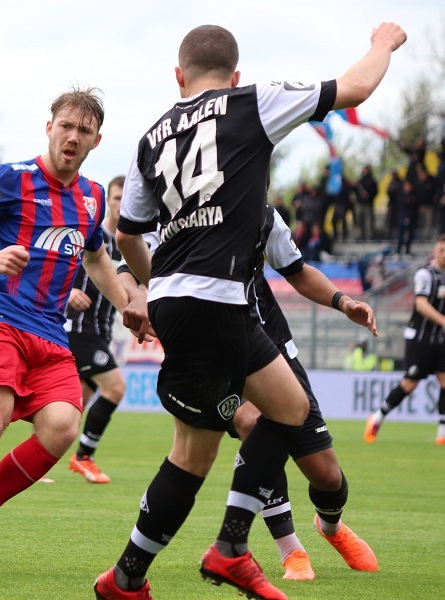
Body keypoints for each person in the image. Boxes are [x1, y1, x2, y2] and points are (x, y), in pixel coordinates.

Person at [98, 22, 405, 600]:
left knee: (206, 445)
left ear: (178, 76)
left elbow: (128, 233)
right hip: (219, 299)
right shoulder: (250, 101)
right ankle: (231, 547)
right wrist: (384, 43)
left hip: (179, 302)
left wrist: (149, 288)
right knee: (275, 417)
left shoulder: (151, 137)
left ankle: (127, 577)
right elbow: (357, 89)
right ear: (234, 76)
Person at [0, 86, 134, 575]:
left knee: (62, 428)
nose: (73, 136)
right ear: (49, 127)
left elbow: (97, 257)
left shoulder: (94, 197)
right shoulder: (11, 178)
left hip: (49, 334)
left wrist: (127, 304)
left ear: (97, 140)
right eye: (66, 126)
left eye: (85, 130)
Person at [235, 204, 379, 581]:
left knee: (327, 476)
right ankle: (291, 550)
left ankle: (330, 527)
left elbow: (296, 271)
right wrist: (132, 293)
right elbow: (138, 254)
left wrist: (343, 301)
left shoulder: (264, 215)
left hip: (274, 347)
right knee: (250, 420)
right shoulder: (186, 207)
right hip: (220, 350)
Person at [66, 175, 128, 484]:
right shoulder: (91, 238)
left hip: (102, 332)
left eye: (125, 198)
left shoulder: (130, 244)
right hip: (80, 330)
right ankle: (84, 457)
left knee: (73, 408)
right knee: (116, 387)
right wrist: (66, 295)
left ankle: (39, 461)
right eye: (115, 198)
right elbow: (55, 269)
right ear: (108, 201)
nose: (120, 204)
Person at [365, 234, 445, 446]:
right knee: (410, 384)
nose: (444, 254)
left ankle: (442, 432)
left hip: (440, 338)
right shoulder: (425, 275)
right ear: (434, 252)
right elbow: (421, 304)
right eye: (441, 250)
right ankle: (378, 416)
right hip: (420, 337)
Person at [354, 165, 379, 241]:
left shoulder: (372, 181)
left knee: (369, 221)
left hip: (368, 204)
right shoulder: (360, 181)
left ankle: (370, 236)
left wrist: (369, 196)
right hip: (360, 204)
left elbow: (375, 192)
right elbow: (355, 191)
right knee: (360, 221)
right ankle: (361, 236)